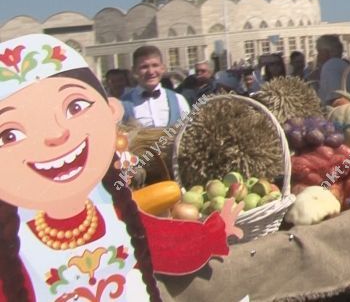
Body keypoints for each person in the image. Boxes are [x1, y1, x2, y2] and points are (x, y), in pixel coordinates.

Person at [0, 34, 243, 301]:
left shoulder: (111, 209)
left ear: (111, 111)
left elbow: (161, 241)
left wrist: (214, 231)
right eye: (9, 135)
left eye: (75, 106)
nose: (57, 135)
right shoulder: (14, 237)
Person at [122, 46, 191, 128]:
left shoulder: (178, 100)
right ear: (134, 70)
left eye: (155, 65)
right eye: (144, 67)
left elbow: (189, 131)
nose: (151, 72)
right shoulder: (123, 105)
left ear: (162, 68)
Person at [315, 35, 350, 104]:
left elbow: (335, 97)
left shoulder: (330, 66)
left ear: (325, 51)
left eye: (319, 51)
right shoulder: (342, 64)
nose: (318, 55)